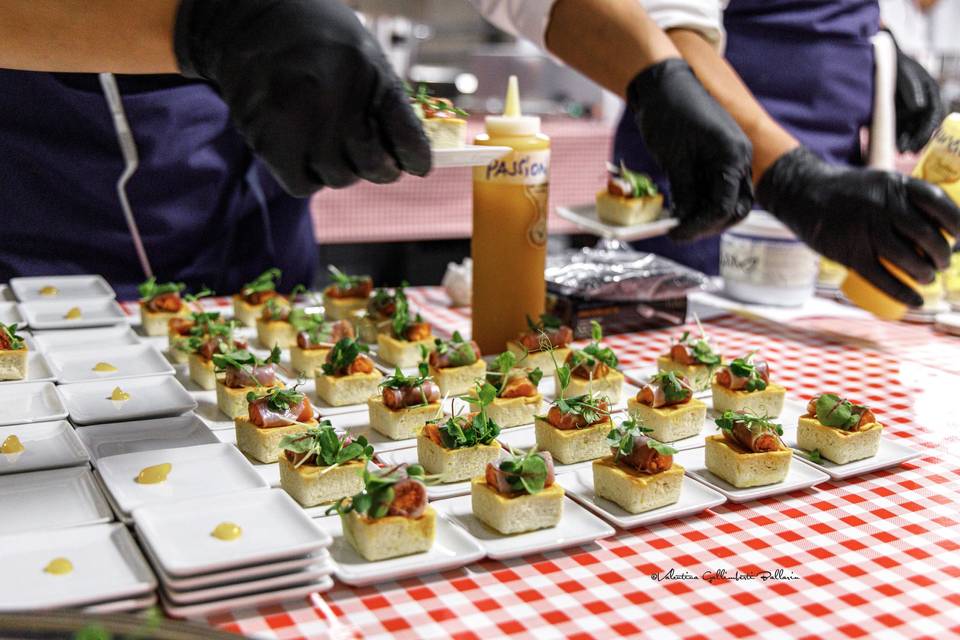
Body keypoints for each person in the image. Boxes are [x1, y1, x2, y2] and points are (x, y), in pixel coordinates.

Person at [473, 0, 960, 307]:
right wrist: (791, 176)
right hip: (713, 192)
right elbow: (674, 25)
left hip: (835, 213)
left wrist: (880, 43)